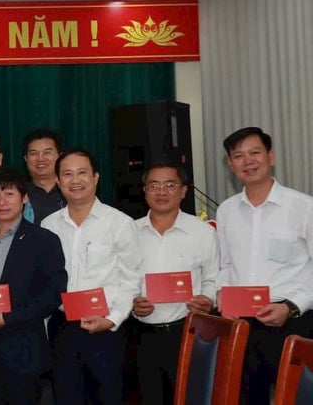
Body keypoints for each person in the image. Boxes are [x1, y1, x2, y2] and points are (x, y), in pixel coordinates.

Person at [215, 126, 313, 404]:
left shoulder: (304, 207)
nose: (248, 161)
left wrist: (291, 307)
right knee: (247, 396)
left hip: (292, 321)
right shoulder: (226, 211)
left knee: (296, 398)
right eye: (238, 156)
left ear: (271, 156)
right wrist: (223, 295)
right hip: (242, 325)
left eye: (255, 152)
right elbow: (225, 265)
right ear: (231, 165)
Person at [40, 149, 141, 405]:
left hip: (105, 328)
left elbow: (131, 279)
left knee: (108, 398)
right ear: (59, 181)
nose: (75, 180)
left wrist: (113, 319)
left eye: (82, 173)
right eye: (67, 174)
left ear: (96, 177)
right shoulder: (48, 226)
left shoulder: (119, 223)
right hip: (62, 328)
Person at [0, 168, 67, 405]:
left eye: (9, 194)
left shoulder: (44, 240)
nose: (2, 202)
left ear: (24, 198)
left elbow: (53, 294)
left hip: (23, 348)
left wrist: (8, 317)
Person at [131, 162, 218, 405]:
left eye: (170, 185)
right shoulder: (129, 232)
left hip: (189, 331)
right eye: (154, 185)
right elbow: (121, 279)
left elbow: (213, 277)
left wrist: (208, 299)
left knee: (190, 398)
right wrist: (132, 302)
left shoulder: (203, 232)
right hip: (143, 335)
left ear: (183, 191)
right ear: (145, 190)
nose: (161, 191)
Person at [22, 129, 66, 224]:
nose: (41, 158)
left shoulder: (71, 190)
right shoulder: (19, 193)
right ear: (26, 158)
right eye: (34, 153)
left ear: (60, 156)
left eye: (47, 152)